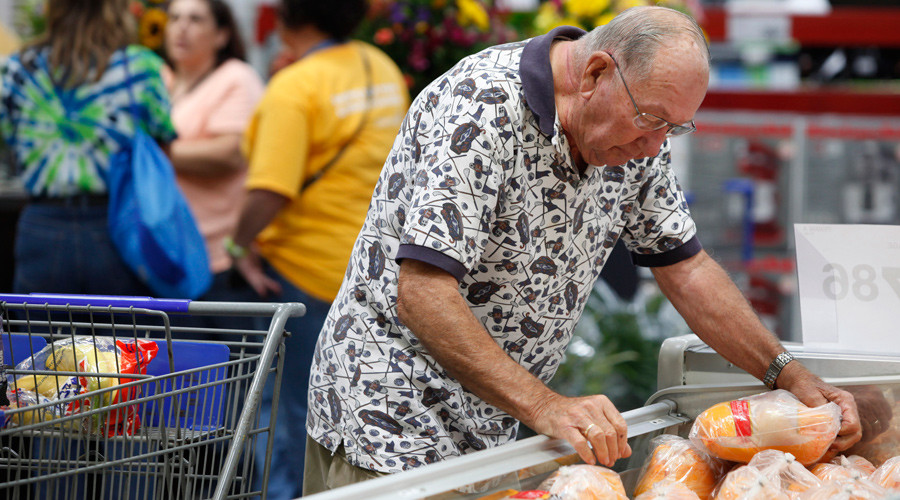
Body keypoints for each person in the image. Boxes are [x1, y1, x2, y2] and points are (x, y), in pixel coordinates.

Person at [302, 6, 863, 494]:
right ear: (595, 73)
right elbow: (423, 293)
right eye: (650, 120)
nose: (654, 144)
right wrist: (545, 405)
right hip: (390, 414)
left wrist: (787, 374)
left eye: (674, 128)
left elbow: (685, 267)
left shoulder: (639, 132)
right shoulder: (481, 107)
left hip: (491, 422)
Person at [227, 0, 410, 497]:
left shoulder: (295, 88)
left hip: (301, 273)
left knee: (287, 418)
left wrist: (238, 247)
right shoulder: (379, 66)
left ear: (289, 15)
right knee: (347, 417)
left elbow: (270, 190)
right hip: (370, 272)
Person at [0, 0, 176, 296]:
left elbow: (9, 138)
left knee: (40, 326)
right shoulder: (139, 67)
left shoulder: (17, 69)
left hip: (41, 223)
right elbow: (162, 151)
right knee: (123, 327)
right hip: (117, 224)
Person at [162, 0, 264, 305]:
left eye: (195, 19)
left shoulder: (236, 77)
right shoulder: (162, 78)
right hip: (168, 254)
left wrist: (152, 155)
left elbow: (230, 152)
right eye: (174, 18)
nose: (181, 28)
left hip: (219, 257)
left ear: (221, 35)